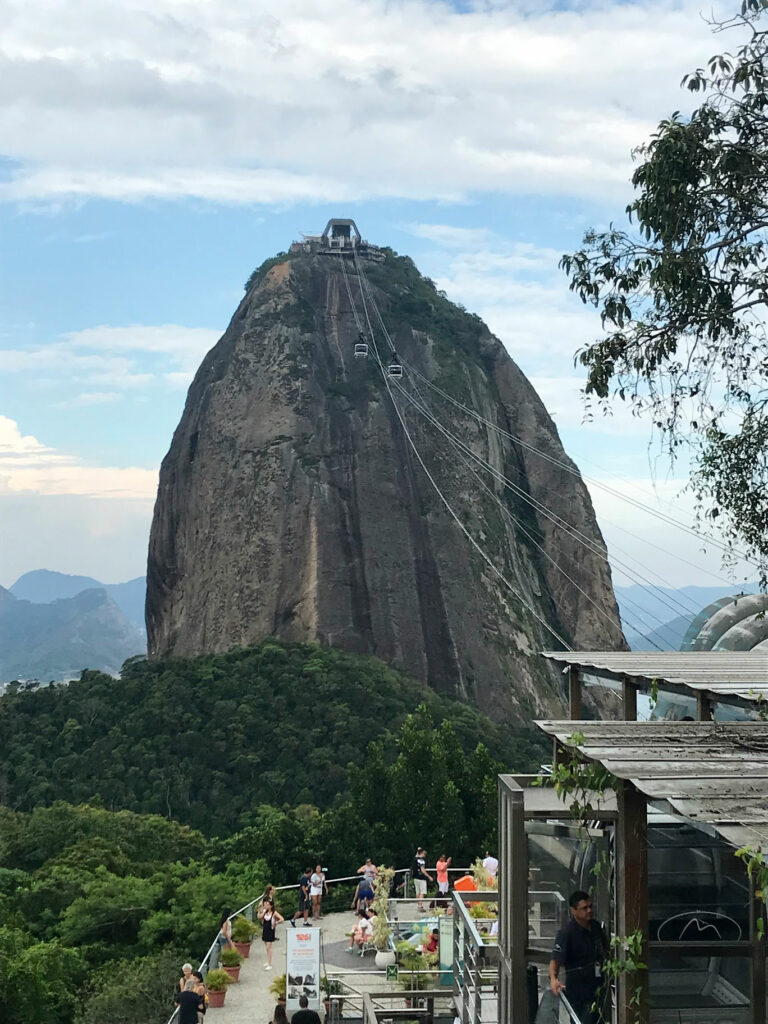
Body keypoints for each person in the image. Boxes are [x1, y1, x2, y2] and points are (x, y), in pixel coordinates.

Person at [549, 890, 608, 1024]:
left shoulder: (596, 928)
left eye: (590, 907)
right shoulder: (567, 933)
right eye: (584, 908)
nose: (588, 911)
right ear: (573, 911)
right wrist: (553, 979)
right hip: (578, 991)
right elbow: (555, 960)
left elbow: (605, 950)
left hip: (597, 987)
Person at [258, 897, 284, 970]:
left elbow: (282, 919)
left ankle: (270, 964)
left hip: (270, 931)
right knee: (266, 947)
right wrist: (261, 911)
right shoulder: (265, 912)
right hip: (265, 930)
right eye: (265, 904)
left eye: (267, 904)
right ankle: (268, 960)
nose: (265, 906)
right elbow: (259, 917)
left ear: (271, 905)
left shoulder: (274, 912)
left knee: (268, 948)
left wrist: (276, 922)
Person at [412, 847, 432, 912]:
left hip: (415, 877)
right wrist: (429, 877)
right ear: (421, 853)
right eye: (424, 853)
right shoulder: (421, 860)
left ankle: (418, 905)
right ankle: (420, 906)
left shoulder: (415, 859)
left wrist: (418, 850)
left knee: (417, 892)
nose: (424, 855)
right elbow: (423, 870)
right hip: (421, 878)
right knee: (422, 892)